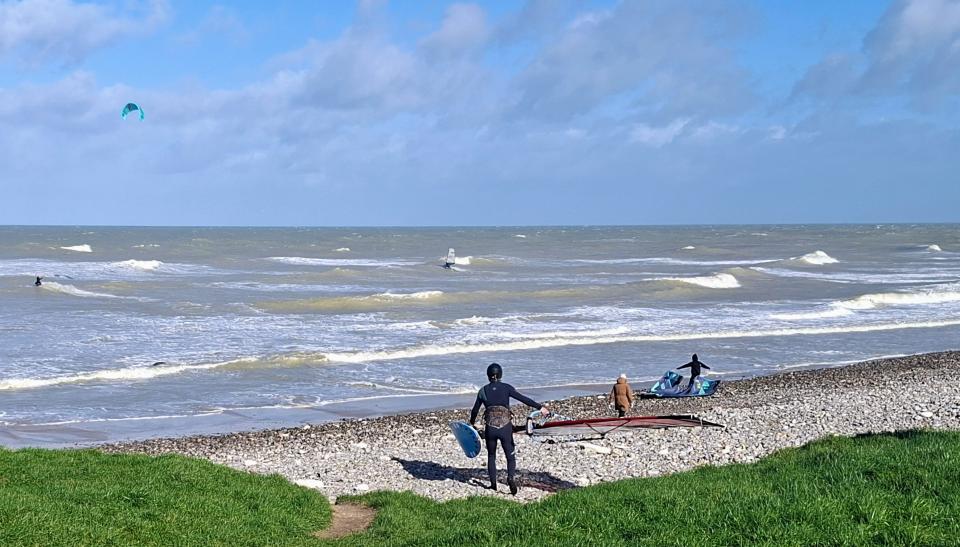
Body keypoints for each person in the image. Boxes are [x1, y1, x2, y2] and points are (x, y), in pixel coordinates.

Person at [469, 362, 549, 495]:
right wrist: (540, 407)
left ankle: (493, 485)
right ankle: (510, 478)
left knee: (491, 455)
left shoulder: (482, 391)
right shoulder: (506, 388)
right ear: (500, 374)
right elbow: (523, 399)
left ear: (488, 376)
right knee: (510, 456)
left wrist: (472, 423)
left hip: (490, 428)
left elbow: (475, 410)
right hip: (505, 427)